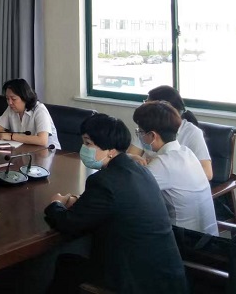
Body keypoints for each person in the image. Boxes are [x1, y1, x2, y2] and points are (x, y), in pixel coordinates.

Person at [44, 113, 188, 294]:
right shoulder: (138, 169)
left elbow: (68, 224)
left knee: (67, 263)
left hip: (137, 283)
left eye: (88, 143)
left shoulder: (104, 181)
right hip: (167, 278)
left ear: (110, 150)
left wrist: (56, 204)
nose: (83, 148)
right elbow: (115, 204)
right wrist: (80, 202)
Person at [133, 100, 218, 234]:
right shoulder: (186, 152)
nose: (140, 136)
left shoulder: (163, 163)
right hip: (208, 237)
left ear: (153, 135)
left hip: (187, 241)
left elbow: (128, 192)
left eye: (141, 132)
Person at [127, 85, 212, 180]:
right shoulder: (145, 129)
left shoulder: (192, 133)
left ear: (164, 108)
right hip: (150, 176)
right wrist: (134, 158)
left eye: (148, 104)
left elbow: (207, 173)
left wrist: (162, 167)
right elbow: (129, 155)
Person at [0, 78, 60, 148]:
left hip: (51, 153)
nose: (10, 102)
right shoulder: (11, 109)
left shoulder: (39, 110)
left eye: (13, 99)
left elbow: (42, 140)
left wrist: (11, 136)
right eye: (7, 99)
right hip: (27, 150)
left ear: (25, 97)